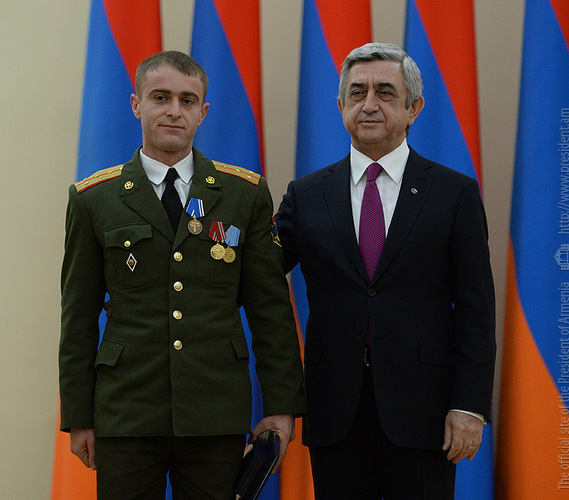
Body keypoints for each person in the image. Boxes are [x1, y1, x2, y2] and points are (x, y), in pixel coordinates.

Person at [59, 50, 306, 500]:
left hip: (215, 412)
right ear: (136, 104)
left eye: (187, 101)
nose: (174, 111)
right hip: (126, 412)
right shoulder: (94, 198)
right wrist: (79, 417)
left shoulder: (244, 195)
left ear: (203, 112)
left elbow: (270, 311)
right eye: (161, 97)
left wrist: (281, 407)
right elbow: (78, 316)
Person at [274, 42, 496, 499]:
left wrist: (470, 406)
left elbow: (477, 310)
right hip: (335, 410)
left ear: (414, 108)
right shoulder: (306, 194)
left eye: (385, 92)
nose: (369, 104)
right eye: (357, 93)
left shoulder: (453, 193)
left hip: (425, 413)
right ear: (341, 106)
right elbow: (259, 273)